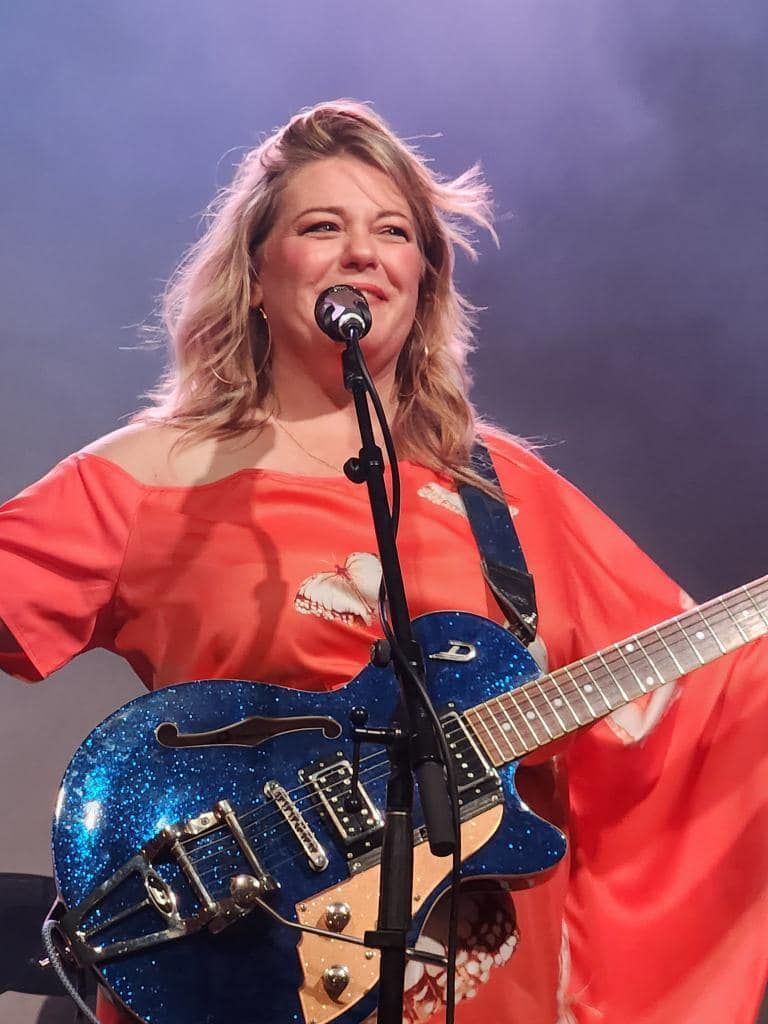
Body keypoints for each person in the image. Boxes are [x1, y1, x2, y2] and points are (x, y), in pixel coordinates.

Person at [0, 100, 766, 1024]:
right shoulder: (153, 476)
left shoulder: (503, 492)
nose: (364, 251)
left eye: (394, 232)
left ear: (423, 282)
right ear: (254, 275)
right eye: (323, 225)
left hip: (479, 981)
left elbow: (706, 691)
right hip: (241, 959)